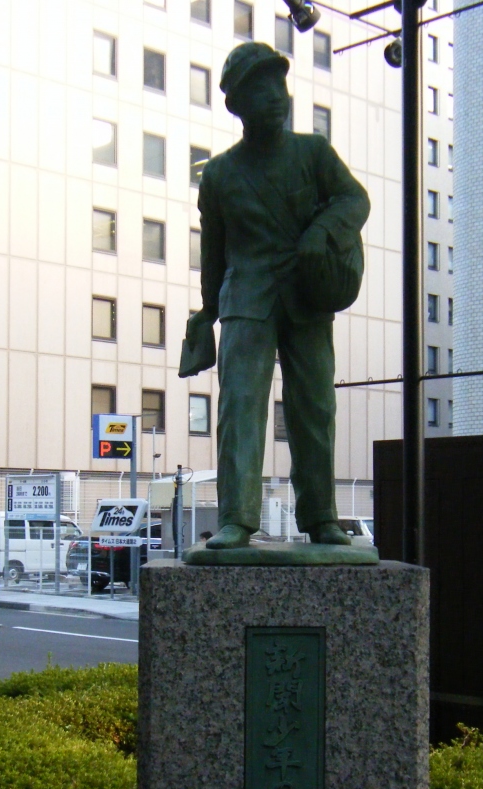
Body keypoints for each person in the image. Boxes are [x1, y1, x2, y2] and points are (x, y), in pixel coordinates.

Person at [180, 42, 370, 550]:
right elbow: (214, 252)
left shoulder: (313, 153)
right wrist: (209, 310)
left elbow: (355, 200)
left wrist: (321, 232)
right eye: (260, 88)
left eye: (278, 86)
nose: (274, 97)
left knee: (315, 408)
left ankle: (321, 516)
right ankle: (237, 517)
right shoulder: (219, 174)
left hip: (307, 295)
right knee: (240, 407)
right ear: (236, 104)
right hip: (247, 298)